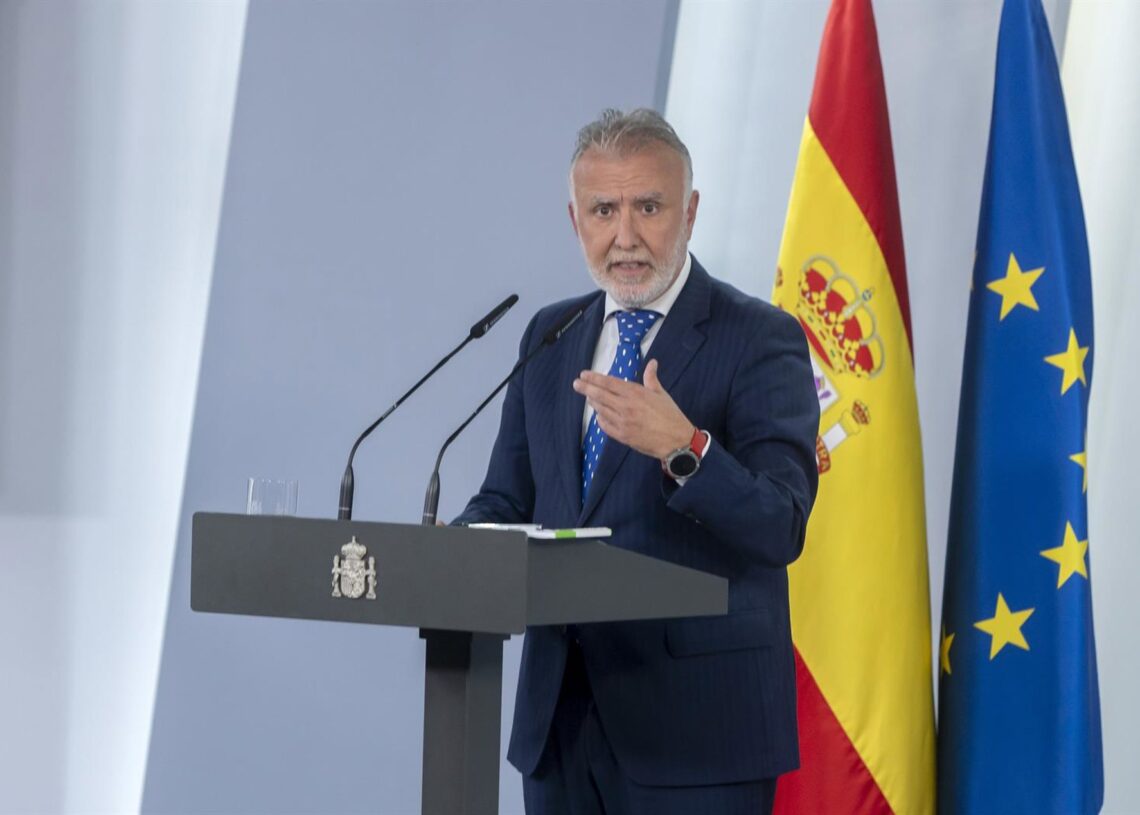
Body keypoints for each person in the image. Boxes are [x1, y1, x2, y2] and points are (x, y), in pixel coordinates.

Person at [454, 108, 819, 815]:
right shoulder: (550, 334)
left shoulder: (760, 337)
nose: (625, 236)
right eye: (604, 210)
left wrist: (685, 449)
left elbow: (782, 524)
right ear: (576, 220)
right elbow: (506, 498)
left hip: (700, 735)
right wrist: (457, 544)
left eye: (648, 207)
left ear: (690, 211)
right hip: (560, 726)